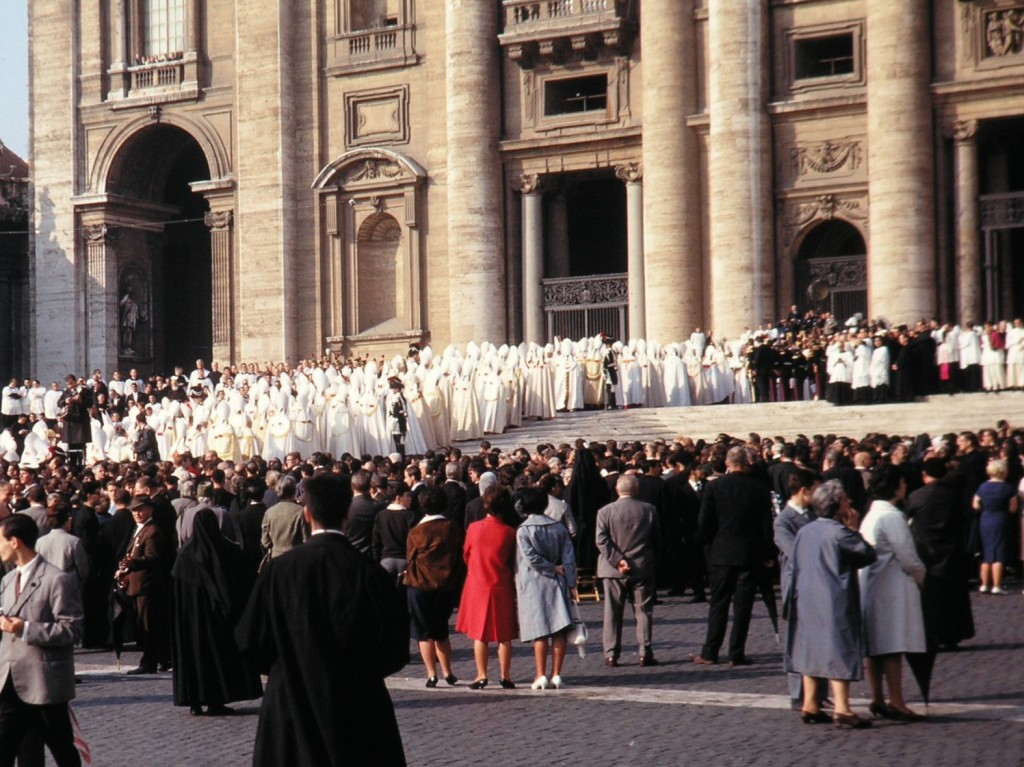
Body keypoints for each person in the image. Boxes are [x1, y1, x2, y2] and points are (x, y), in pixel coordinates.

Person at [236, 474, 409, 766]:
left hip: (290, 699)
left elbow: (249, 640)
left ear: (307, 513)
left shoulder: (278, 572)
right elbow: (394, 646)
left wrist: (290, 664)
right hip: (359, 704)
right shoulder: (368, 573)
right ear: (347, 516)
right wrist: (359, 672)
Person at [785, 481, 877, 729]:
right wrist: (854, 528)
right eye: (846, 500)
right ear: (837, 505)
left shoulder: (806, 530)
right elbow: (867, 554)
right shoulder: (839, 532)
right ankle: (843, 708)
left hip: (806, 597)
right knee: (839, 649)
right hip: (833, 597)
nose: (850, 503)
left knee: (810, 650)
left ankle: (811, 705)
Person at [0, 514, 84, 766]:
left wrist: (26, 628)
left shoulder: (56, 579)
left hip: (44, 684)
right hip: (9, 681)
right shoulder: (7, 580)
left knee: (62, 751)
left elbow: (72, 629)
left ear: (14, 541)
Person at [172, 509, 262, 716]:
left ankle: (194, 700)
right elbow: (239, 587)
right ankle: (217, 700)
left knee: (196, 657)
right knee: (219, 657)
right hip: (219, 621)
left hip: (192, 622)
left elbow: (177, 595)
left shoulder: (184, 556)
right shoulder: (227, 551)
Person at [694, 446, 773, 667]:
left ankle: (710, 651)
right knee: (743, 606)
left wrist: (710, 546)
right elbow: (767, 525)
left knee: (718, 604)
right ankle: (736, 652)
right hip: (750, 553)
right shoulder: (759, 488)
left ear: (727, 464)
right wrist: (767, 553)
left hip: (721, 552)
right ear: (747, 463)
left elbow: (704, 522)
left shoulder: (714, 487)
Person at [859, 465, 927, 721]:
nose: (905, 486)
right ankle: (897, 700)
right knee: (892, 646)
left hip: (872, 585)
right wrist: (922, 577)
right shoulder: (891, 517)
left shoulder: (871, 515)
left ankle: (877, 697)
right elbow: (908, 557)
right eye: (901, 482)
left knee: (875, 647)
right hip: (891, 588)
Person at [905, 458, 975, 649]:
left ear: (925, 475)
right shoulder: (954, 495)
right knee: (953, 596)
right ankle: (953, 636)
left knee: (931, 597)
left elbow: (907, 518)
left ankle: (932, 636)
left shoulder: (917, 496)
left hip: (927, 551)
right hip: (952, 551)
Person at [456, 485, 519, 689]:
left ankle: (481, 675)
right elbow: (512, 560)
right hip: (501, 583)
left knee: (479, 634)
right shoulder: (510, 532)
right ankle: (505, 675)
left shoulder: (474, 528)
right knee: (504, 634)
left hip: (478, 583)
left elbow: (466, 554)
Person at [595, 473, 661, 668]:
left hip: (612, 569)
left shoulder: (605, 511)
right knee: (643, 611)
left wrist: (618, 560)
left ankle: (611, 654)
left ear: (617, 490)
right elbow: (657, 539)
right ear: (637, 489)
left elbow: (601, 540)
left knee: (612, 612)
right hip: (642, 565)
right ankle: (645, 651)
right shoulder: (649, 510)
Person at [516, 488, 577, 690]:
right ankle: (557, 673)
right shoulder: (558, 527)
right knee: (559, 630)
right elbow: (569, 557)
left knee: (540, 632)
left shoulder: (524, 529)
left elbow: (531, 558)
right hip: (558, 580)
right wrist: (570, 581)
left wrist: (550, 568)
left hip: (535, 583)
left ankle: (540, 673)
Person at [773, 467, 822, 710]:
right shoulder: (783, 520)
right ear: (804, 491)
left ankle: (817, 692)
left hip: (817, 583)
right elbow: (796, 553)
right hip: (797, 586)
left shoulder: (814, 514)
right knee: (797, 639)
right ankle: (798, 692)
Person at [404, 486, 463, 688]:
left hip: (420, 585)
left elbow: (409, 557)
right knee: (441, 631)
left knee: (423, 633)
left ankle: (431, 674)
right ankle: (448, 671)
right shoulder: (453, 527)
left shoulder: (416, 531)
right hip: (446, 585)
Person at [118, 496, 175, 675]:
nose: (136, 513)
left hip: (146, 584)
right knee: (144, 624)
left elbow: (153, 557)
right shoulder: (140, 528)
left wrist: (132, 563)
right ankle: (161, 658)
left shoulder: (152, 530)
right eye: (134, 510)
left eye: (140, 509)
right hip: (136, 583)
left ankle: (150, 661)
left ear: (150, 510)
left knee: (148, 625)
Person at [972, 458, 1019, 595]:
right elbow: (1013, 508)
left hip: (985, 518)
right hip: (1001, 519)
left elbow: (975, 504)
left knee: (987, 553)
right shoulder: (1008, 488)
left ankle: (985, 584)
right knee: (998, 553)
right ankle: (997, 585)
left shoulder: (982, 487)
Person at [259, 475, 307, 560]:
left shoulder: (269, 512)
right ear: (294, 491)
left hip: (276, 558)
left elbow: (265, 542)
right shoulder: (301, 511)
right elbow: (306, 538)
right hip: (296, 557)